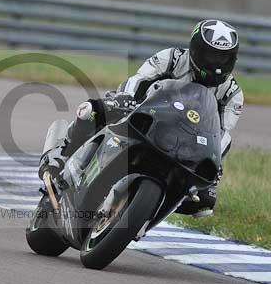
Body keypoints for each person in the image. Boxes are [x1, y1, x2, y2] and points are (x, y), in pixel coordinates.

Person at [39, 19, 243, 217]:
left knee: (204, 202)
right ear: (195, 50)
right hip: (143, 114)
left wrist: (215, 164)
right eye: (210, 56)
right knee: (91, 110)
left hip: (184, 140)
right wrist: (125, 98)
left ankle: (150, 209)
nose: (216, 65)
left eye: (222, 59)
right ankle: (60, 157)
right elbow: (139, 79)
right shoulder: (172, 58)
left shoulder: (232, 93)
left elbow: (221, 134)